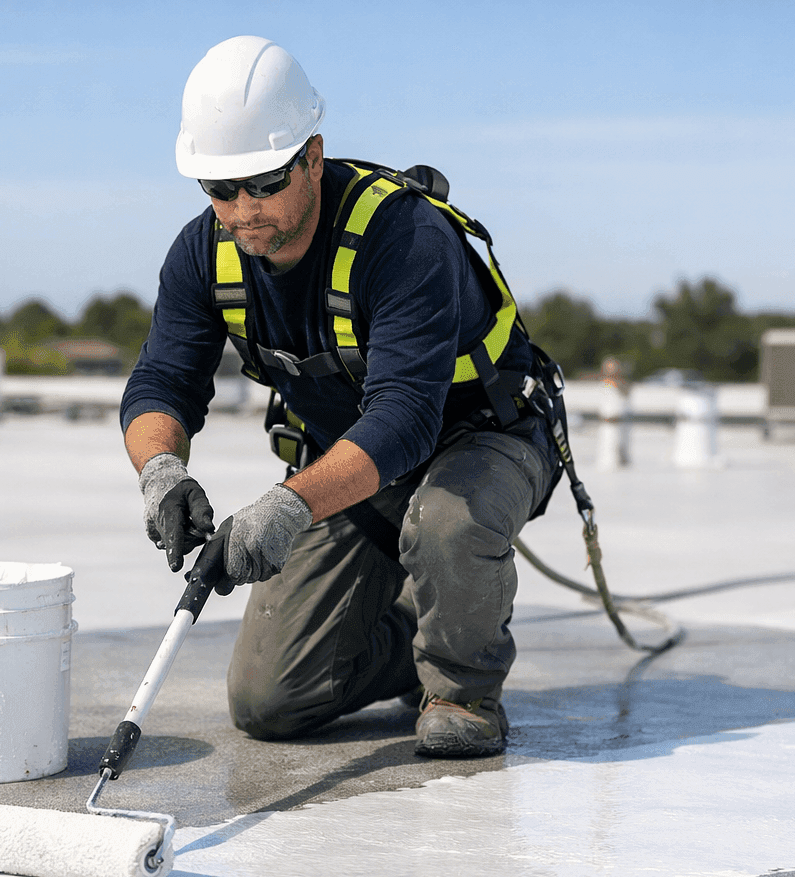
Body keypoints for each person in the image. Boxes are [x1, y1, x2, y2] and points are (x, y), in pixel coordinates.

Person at [119, 36, 561, 757]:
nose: (242, 209)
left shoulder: (400, 236)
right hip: (355, 464)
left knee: (444, 523)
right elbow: (161, 382)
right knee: (271, 702)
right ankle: (418, 635)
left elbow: (407, 418)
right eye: (220, 189)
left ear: (312, 157)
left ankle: (462, 689)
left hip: (481, 439)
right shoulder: (203, 254)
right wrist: (160, 470)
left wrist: (291, 504)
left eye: (263, 182)